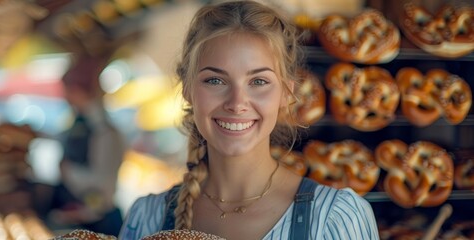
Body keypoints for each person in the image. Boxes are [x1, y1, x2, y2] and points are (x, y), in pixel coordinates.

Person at [119, 1, 379, 239]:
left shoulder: (336, 217)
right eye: (215, 80)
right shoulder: (146, 217)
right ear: (187, 89)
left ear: (286, 93)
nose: (236, 103)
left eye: (258, 81)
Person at [49, 50, 126, 236]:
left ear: (78, 90)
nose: (66, 99)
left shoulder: (104, 132)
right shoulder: (81, 124)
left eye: (68, 91)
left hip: (99, 223)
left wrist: (68, 171)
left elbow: (103, 183)